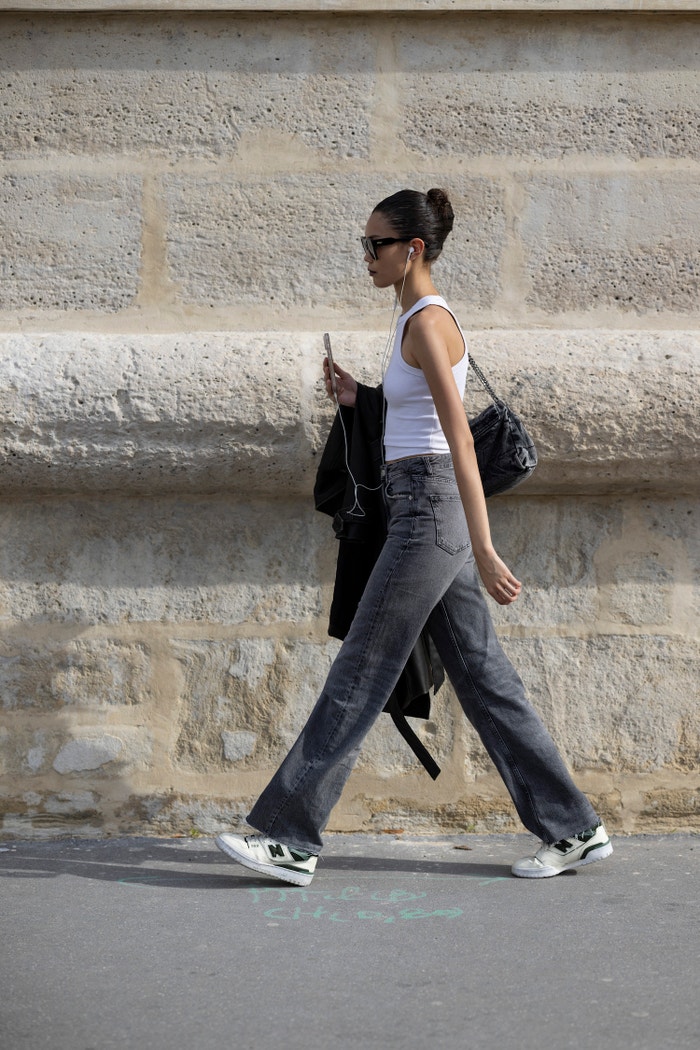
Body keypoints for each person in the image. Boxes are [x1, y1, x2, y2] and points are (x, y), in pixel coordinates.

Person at [216, 188, 612, 885]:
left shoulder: (427, 322)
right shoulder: (414, 318)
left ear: (413, 250)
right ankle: (574, 828)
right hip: (423, 508)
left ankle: (290, 837)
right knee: (485, 678)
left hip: (431, 513)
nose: (366, 257)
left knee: (362, 669)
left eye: (376, 245)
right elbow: (419, 422)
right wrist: (360, 398)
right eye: (363, 244)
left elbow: (457, 439)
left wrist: (485, 548)